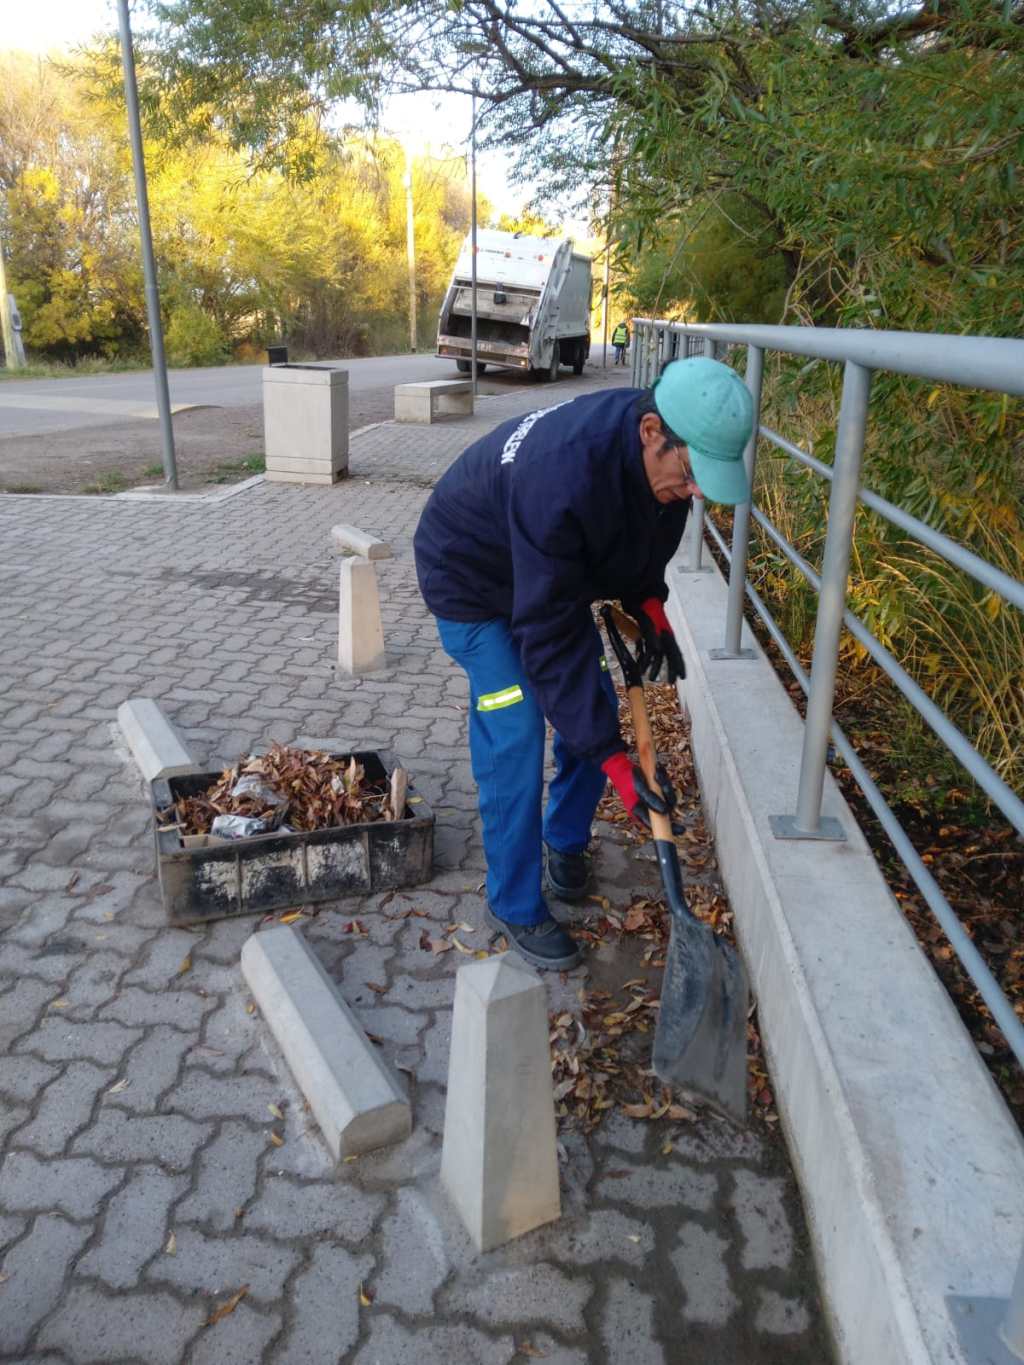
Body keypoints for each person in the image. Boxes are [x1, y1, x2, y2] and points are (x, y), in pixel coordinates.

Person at [413, 356, 754, 971]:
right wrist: (620, 767)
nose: (696, 491)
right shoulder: (564, 475)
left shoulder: (665, 464)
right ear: (652, 431)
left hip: (544, 575)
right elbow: (544, 634)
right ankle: (513, 903)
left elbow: (639, 541)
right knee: (516, 724)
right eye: (691, 473)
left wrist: (649, 604)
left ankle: (563, 841)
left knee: (589, 698)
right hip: (472, 579)